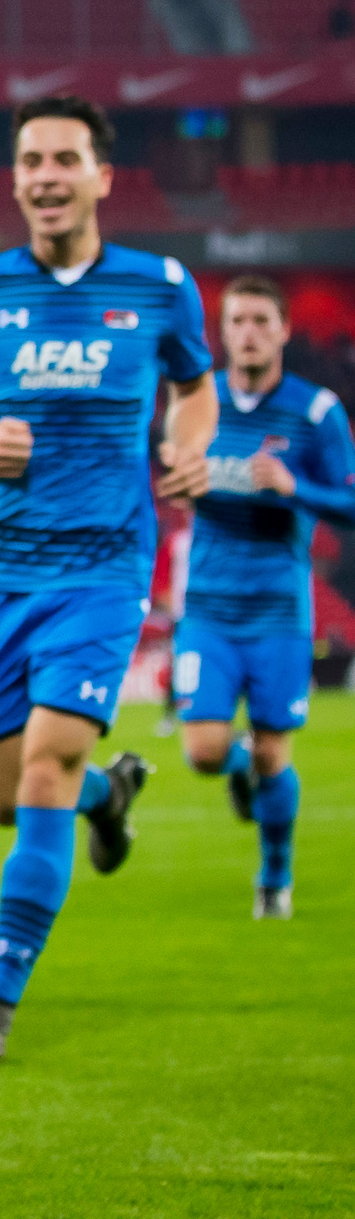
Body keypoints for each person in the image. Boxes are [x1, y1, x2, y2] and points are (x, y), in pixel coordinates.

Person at [0, 94, 216, 1069]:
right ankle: (108, 796)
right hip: (5, 572)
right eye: (31, 161)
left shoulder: (161, 286)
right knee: (6, 798)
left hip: (105, 566)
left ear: (101, 177)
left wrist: (187, 447)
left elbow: (196, 387)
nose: (46, 176)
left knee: (45, 763)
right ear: (15, 180)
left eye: (64, 159)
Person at [173, 275, 355, 920]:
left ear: (283, 331)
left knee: (278, 751)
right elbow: (166, 471)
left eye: (260, 321)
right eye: (237, 321)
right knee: (203, 751)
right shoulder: (197, 403)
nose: (248, 333)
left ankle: (274, 876)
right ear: (222, 333)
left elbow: (350, 502)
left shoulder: (316, 412)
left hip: (279, 611)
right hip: (208, 608)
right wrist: (178, 480)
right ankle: (239, 764)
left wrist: (294, 487)